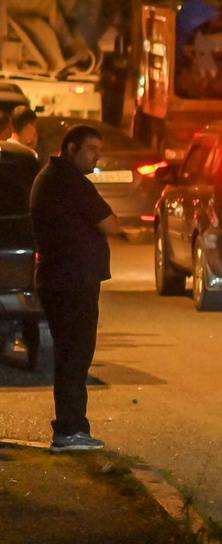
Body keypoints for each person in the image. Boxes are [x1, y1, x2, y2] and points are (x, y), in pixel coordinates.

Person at [30, 125, 118, 451]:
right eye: (91, 149)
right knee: (75, 355)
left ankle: (71, 428)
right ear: (71, 148)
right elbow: (109, 222)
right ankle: (69, 430)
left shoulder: (54, 177)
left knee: (72, 354)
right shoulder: (68, 181)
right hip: (71, 282)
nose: (97, 155)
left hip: (65, 279)